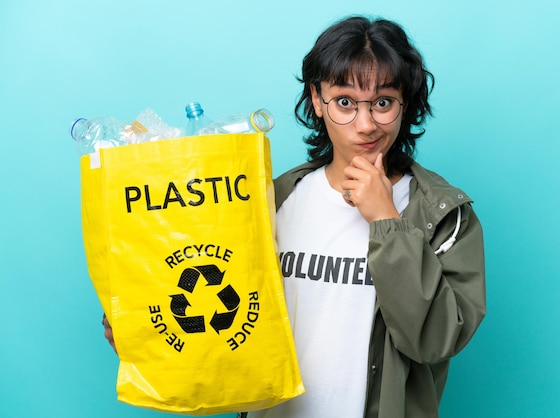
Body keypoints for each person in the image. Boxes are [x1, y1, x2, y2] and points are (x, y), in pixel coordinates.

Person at [104, 15, 486, 418]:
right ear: (318, 100)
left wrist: (387, 221)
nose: (366, 124)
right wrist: (143, 328)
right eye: (344, 102)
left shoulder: (442, 215)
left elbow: (436, 340)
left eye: (383, 103)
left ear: (405, 104)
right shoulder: (273, 199)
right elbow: (222, 303)